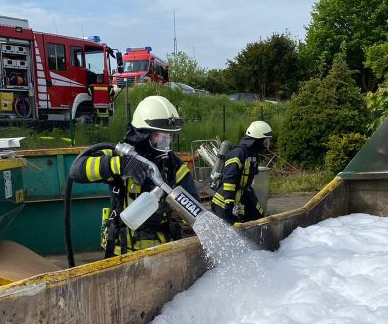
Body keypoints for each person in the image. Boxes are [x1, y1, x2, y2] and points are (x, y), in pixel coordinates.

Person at [71, 95, 198, 257]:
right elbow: (77, 170)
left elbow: (194, 208)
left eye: (169, 138)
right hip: (121, 254)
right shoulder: (117, 156)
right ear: (142, 134)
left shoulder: (174, 167)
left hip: (162, 255)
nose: (166, 145)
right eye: (160, 137)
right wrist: (119, 165)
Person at [211, 121, 273, 224]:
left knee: (259, 218)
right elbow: (230, 178)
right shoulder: (238, 153)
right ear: (257, 139)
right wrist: (229, 202)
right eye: (265, 141)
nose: (266, 144)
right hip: (224, 201)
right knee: (231, 229)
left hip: (242, 195)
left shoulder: (252, 154)